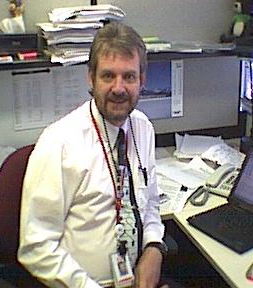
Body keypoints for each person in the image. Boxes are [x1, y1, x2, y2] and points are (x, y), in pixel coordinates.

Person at [18, 22, 168, 288]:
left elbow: (151, 204)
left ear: (142, 80)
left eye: (129, 77)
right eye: (108, 76)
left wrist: (154, 246)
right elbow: (36, 247)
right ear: (91, 78)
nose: (119, 88)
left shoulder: (143, 128)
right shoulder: (59, 144)